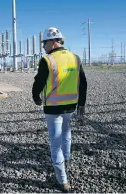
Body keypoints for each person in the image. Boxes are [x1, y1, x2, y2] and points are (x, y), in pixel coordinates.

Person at [32, 27, 87, 193]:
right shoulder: (75, 58)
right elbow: (83, 83)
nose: (43, 46)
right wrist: (81, 104)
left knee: (55, 143)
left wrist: (36, 97)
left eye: (44, 43)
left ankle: (63, 181)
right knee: (66, 133)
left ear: (53, 42)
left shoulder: (47, 60)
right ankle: (67, 160)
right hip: (71, 105)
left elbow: (38, 82)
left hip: (53, 108)